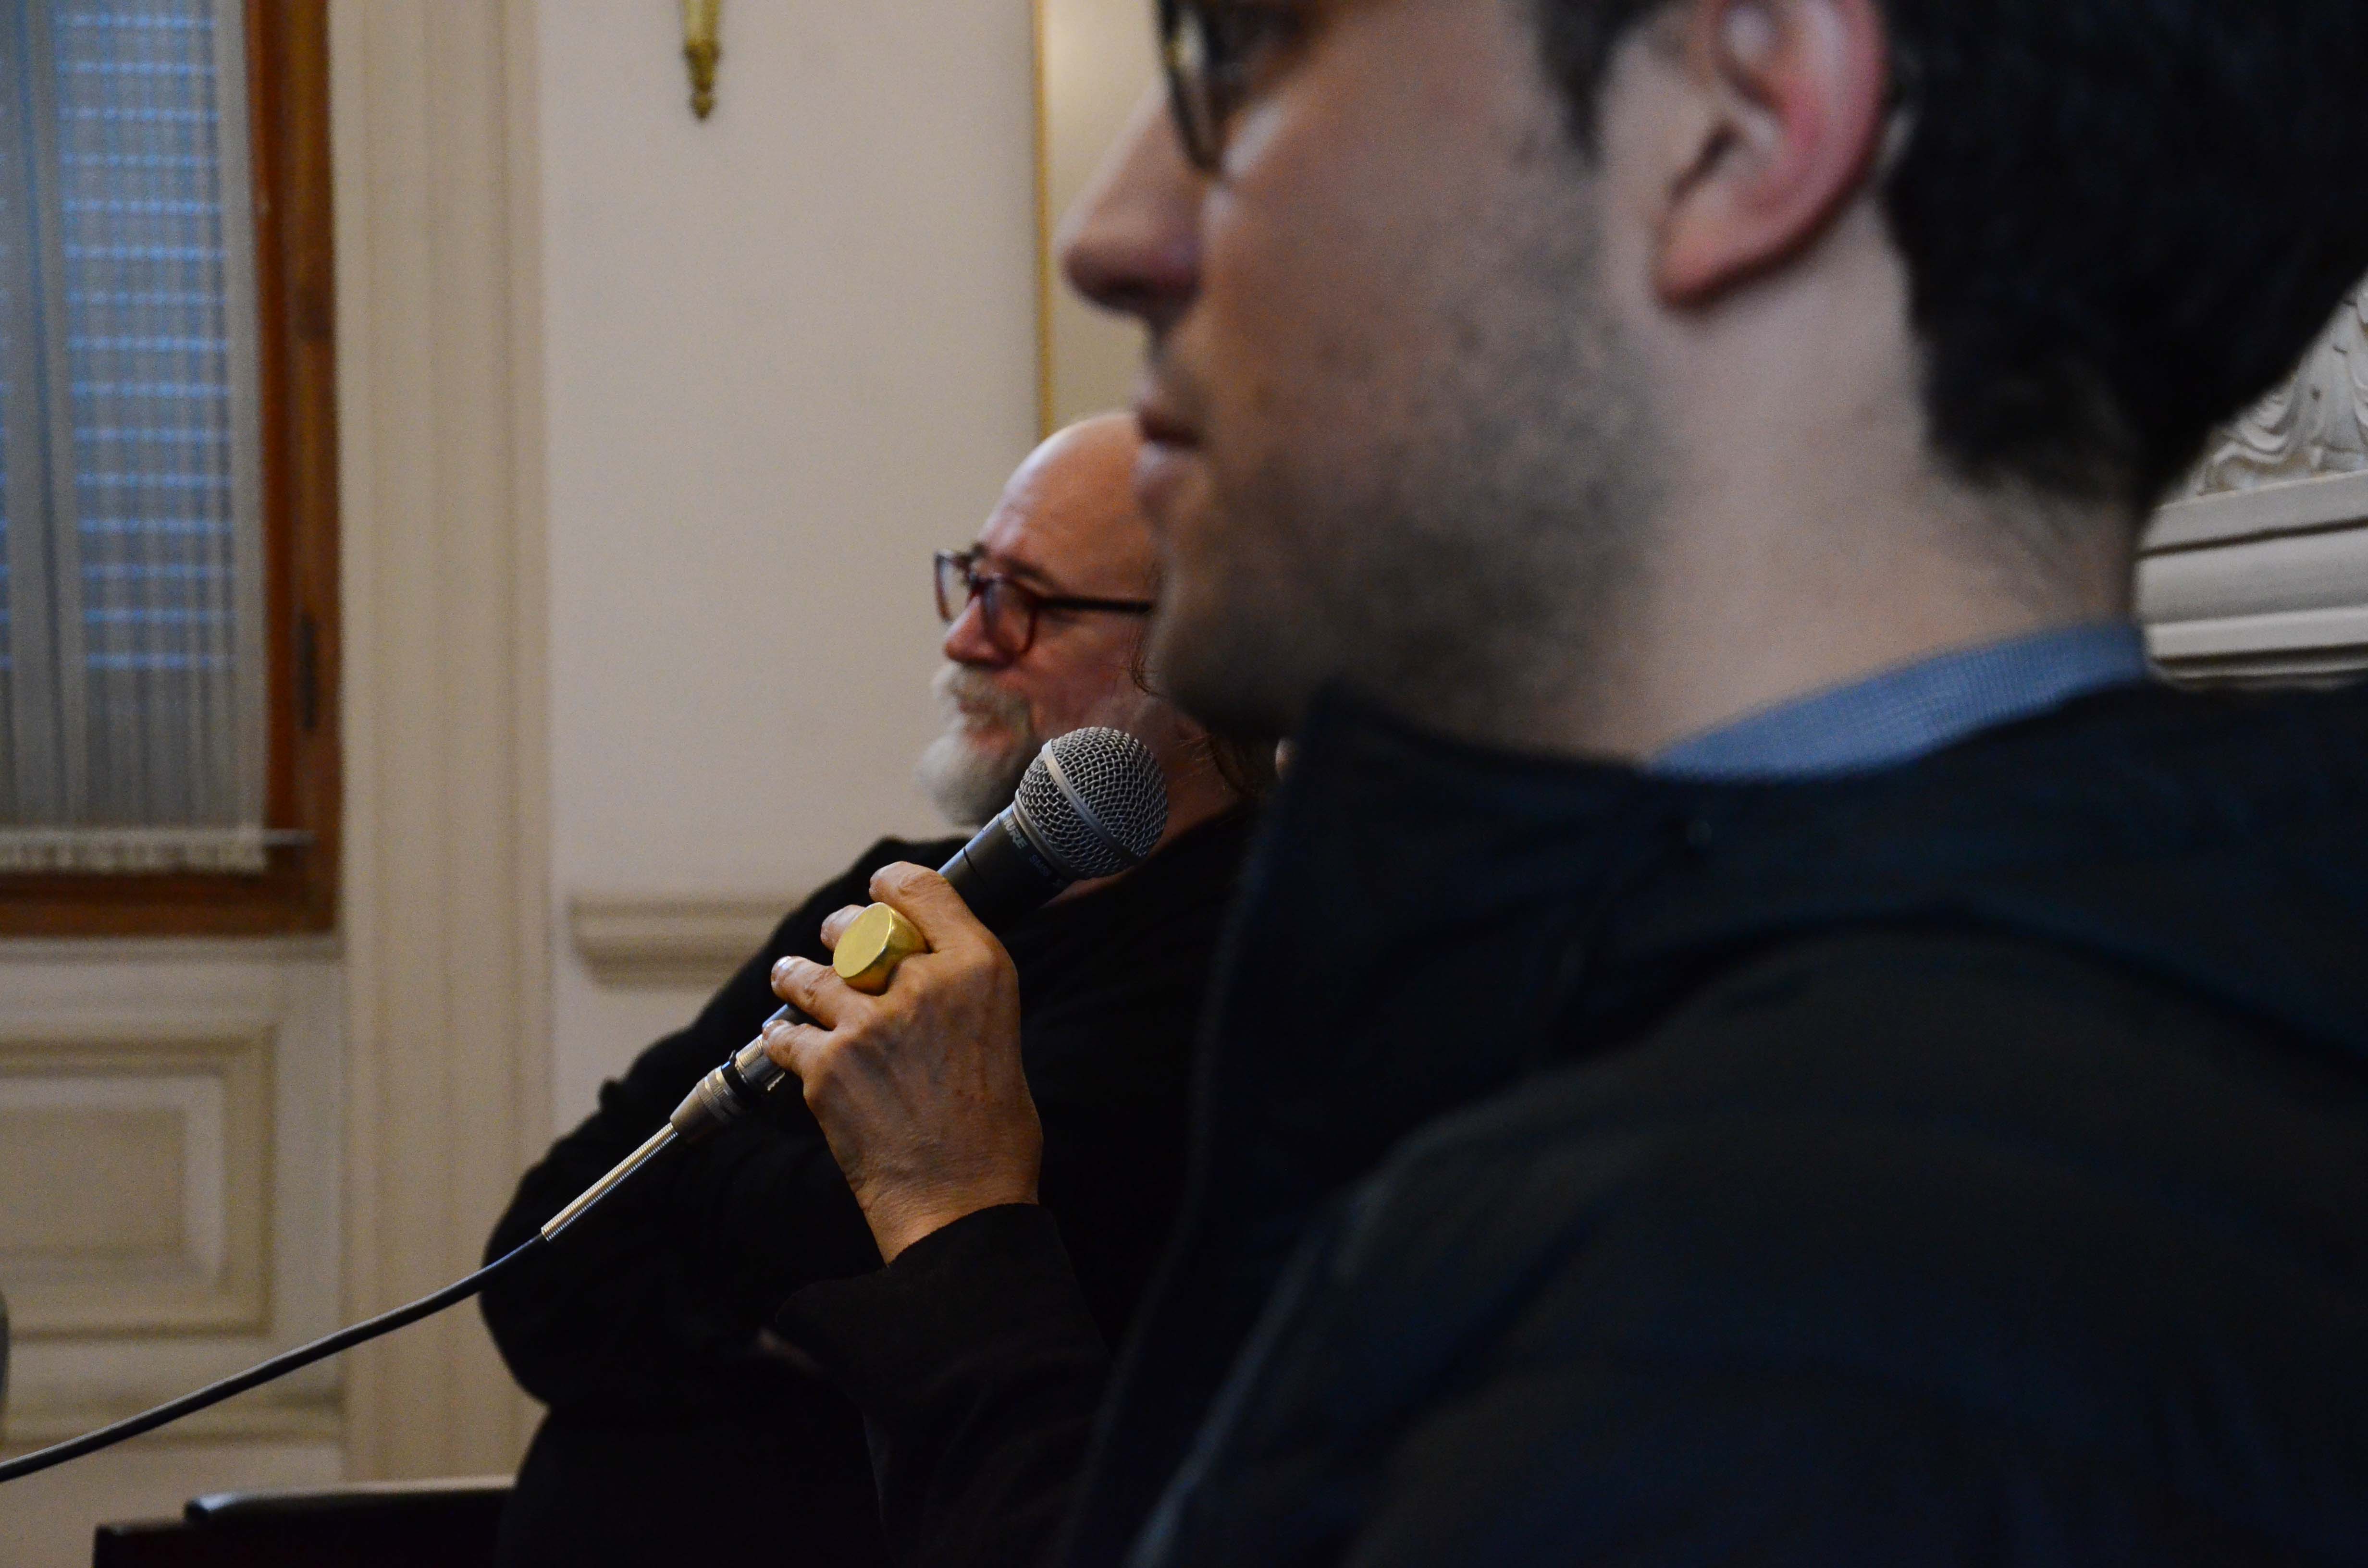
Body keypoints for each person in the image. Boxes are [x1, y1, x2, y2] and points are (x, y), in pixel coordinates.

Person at [754, 1, 2368, 1564]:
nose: (1108, 235)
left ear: (1735, 124)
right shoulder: (2055, 1065)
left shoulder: (1779, 1329)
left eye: (1246, 49)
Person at [480, 415, 1265, 1568]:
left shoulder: (1245, 954)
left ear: (1202, 662)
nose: (965, 636)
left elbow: (969, 1314)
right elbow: (550, 1261)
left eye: (1028, 602)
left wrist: (723, 1206)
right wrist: (804, 1311)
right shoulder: (904, 884)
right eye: (973, 579)